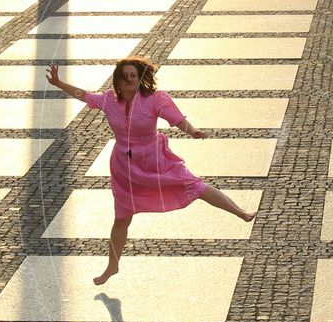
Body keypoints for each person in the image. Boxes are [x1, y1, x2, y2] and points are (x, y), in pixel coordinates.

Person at [45, 56, 257, 285]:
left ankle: (240, 213)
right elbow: (84, 95)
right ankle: (112, 267)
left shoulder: (155, 100)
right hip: (125, 168)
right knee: (121, 219)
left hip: (155, 160)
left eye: (132, 75)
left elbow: (177, 119)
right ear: (117, 80)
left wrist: (193, 131)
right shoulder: (108, 100)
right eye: (124, 76)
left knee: (196, 186)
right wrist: (59, 83)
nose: (128, 79)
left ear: (139, 78)